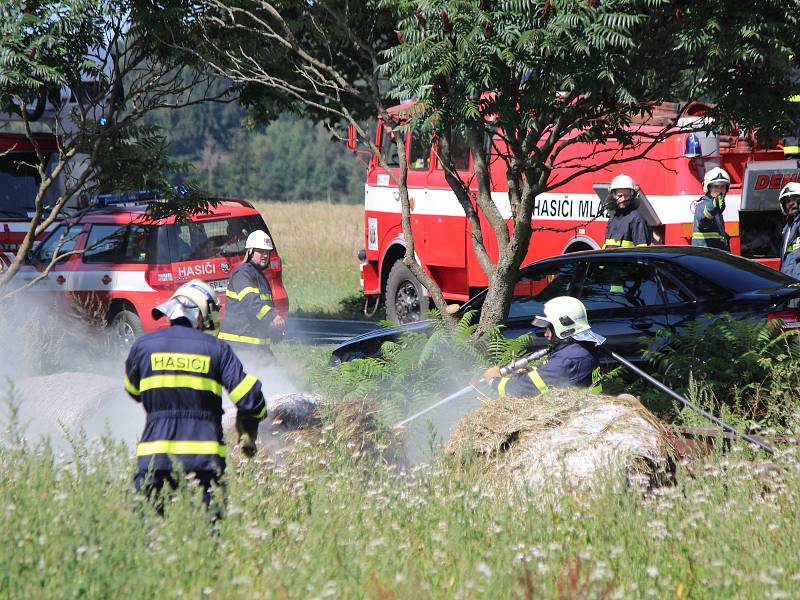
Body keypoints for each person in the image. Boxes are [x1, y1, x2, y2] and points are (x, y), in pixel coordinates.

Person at [124, 279, 267, 516]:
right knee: (208, 535)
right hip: (203, 458)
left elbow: (133, 390)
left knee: (148, 531)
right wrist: (255, 416)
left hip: (155, 456)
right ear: (200, 315)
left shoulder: (143, 347)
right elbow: (249, 399)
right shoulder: (216, 349)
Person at [482, 296, 601, 398]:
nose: (546, 334)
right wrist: (527, 371)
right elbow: (550, 371)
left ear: (563, 328)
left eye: (549, 328)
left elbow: (524, 389)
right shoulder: (580, 347)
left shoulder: (569, 359)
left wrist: (494, 380)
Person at [219, 230, 286, 356]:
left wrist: (274, 331)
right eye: (260, 251)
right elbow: (251, 302)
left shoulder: (260, 277)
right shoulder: (243, 273)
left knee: (277, 374)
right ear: (250, 251)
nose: (265, 255)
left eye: (267, 252)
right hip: (239, 346)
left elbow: (262, 311)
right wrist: (272, 316)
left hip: (257, 346)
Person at [602, 174, 650, 248]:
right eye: (620, 196)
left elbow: (642, 251)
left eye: (626, 195)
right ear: (613, 195)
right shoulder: (613, 219)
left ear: (632, 196)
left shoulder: (636, 219)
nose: (623, 199)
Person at [691, 167, 731, 251]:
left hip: (713, 258)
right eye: (715, 186)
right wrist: (713, 205)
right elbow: (704, 219)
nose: (719, 190)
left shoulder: (717, 210)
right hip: (704, 259)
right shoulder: (702, 206)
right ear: (708, 188)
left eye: (723, 187)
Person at [779, 181, 800, 279]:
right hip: (789, 281)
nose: (791, 203)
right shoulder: (787, 228)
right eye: (787, 201)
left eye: (794, 199)